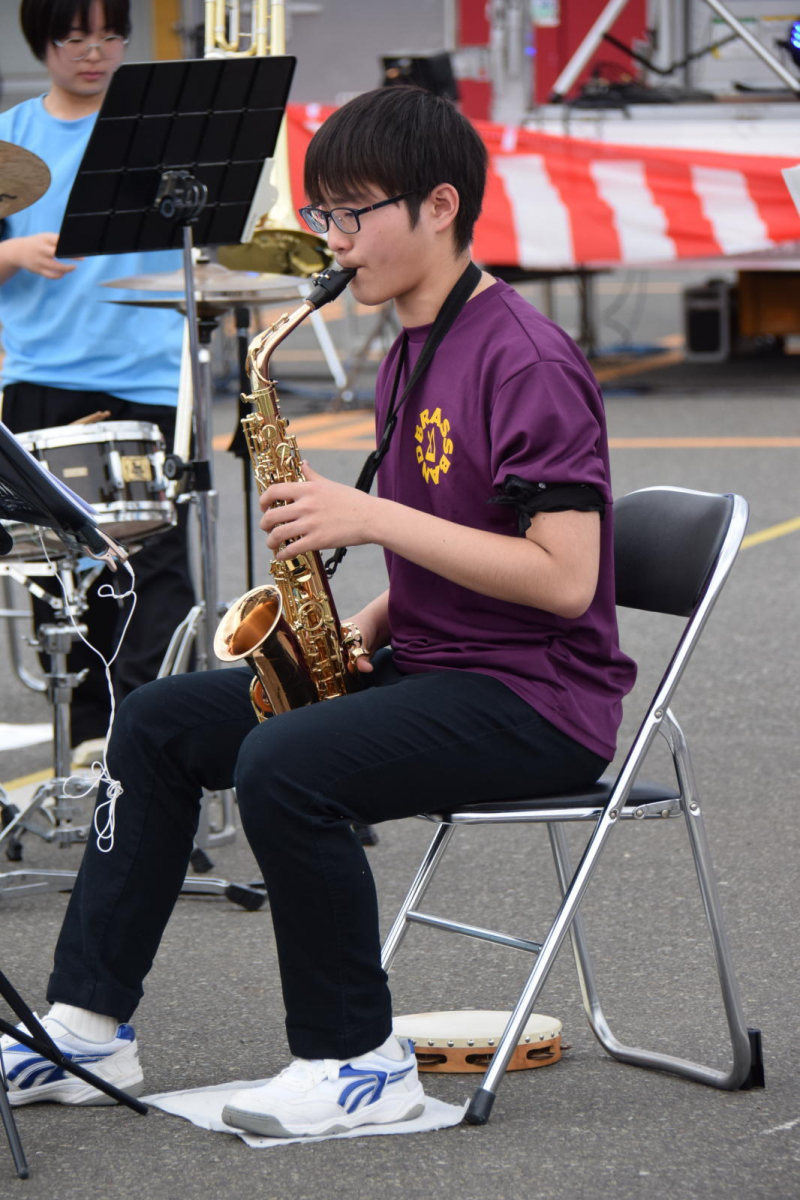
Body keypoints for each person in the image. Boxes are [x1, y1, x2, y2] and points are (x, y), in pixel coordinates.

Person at [0, 85, 637, 1138]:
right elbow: (454, 536)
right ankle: (87, 1027)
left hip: (536, 700)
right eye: (322, 217)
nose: (333, 244)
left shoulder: (522, 357)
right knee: (157, 724)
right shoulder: (409, 346)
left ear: (438, 206)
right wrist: (370, 626)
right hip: (436, 664)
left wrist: (371, 515)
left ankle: (355, 1061)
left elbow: (565, 578)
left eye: (353, 215)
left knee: (284, 762)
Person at [0, 0, 194, 756]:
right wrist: (15, 254)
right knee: (60, 569)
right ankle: (85, 738)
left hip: (149, 376)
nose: (95, 52)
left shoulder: (158, 129)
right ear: (41, 42)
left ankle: (147, 740)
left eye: (111, 35)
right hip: (46, 377)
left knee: (156, 570)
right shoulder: (11, 140)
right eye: (75, 37)